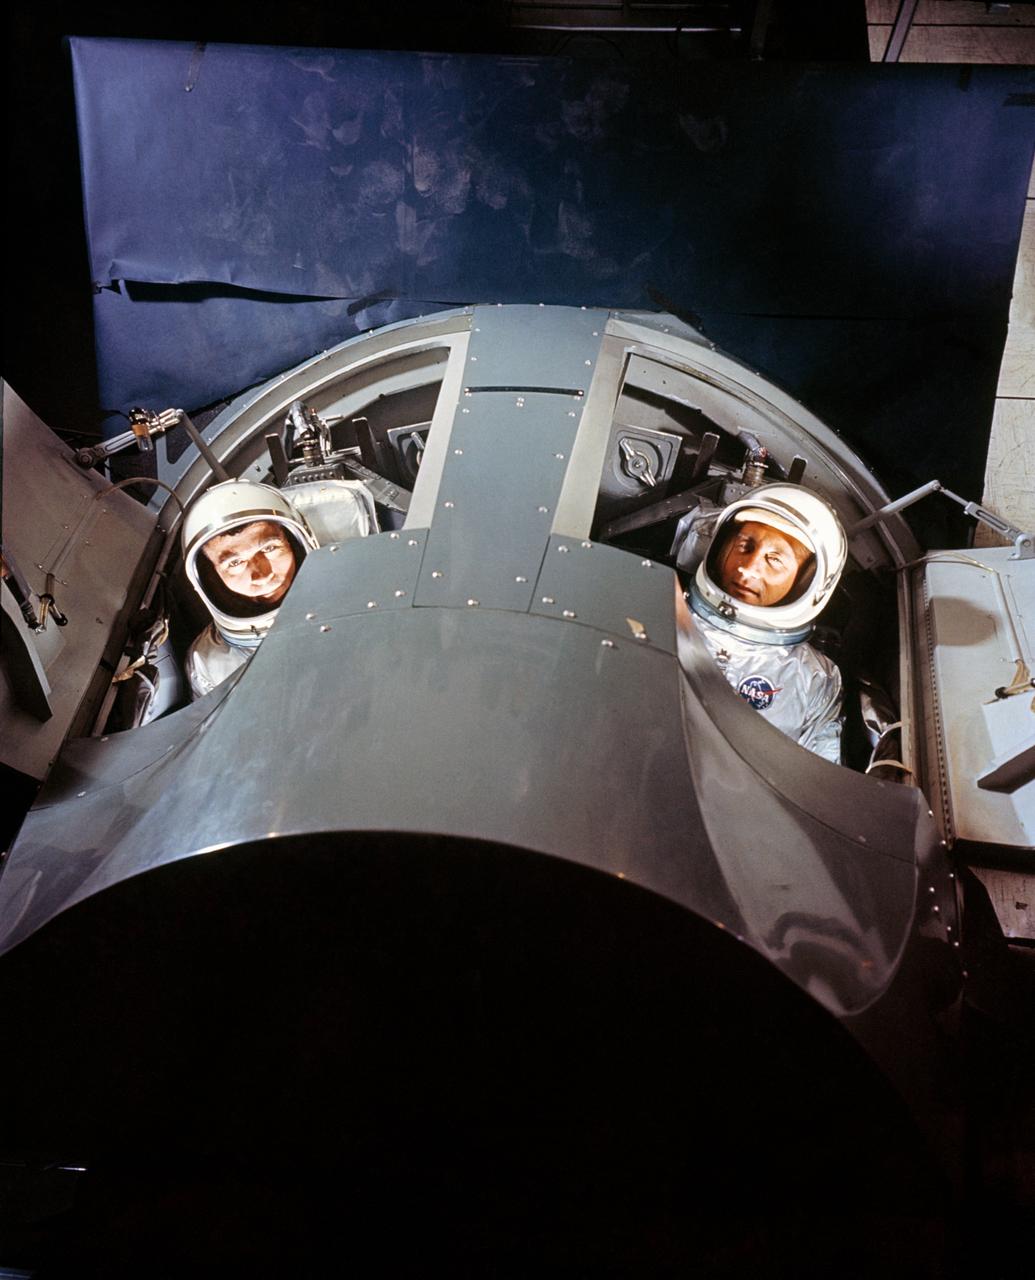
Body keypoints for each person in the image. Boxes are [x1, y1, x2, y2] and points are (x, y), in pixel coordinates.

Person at [683, 482, 848, 764]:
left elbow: (815, 781)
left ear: (808, 582)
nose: (747, 568)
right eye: (744, 546)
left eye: (774, 559)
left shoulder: (815, 680)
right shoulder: (659, 615)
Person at [182, 480, 319, 698]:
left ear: (295, 543)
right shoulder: (210, 664)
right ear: (211, 576)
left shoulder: (360, 598)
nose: (262, 574)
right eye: (235, 563)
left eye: (270, 548)